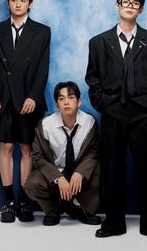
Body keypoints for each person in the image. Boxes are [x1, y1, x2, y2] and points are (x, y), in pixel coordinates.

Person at [85, 0, 147, 240]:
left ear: (141, 9)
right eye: (125, 2)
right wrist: (104, 105)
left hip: (144, 113)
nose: (130, 6)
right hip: (113, 113)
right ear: (117, 6)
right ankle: (113, 223)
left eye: (135, 3)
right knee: (112, 169)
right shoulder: (99, 42)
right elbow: (93, 80)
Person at [0, 0, 50, 223]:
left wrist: (33, 96)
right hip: (3, 98)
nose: (18, 3)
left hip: (27, 99)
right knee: (6, 147)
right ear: (8, 3)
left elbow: (43, 67)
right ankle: (8, 203)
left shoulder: (42, 32)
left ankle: (24, 200)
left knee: (26, 148)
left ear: (30, 3)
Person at [24, 81, 101, 226]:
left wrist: (80, 172)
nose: (66, 102)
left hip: (79, 177)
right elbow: (37, 156)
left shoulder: (89, 122)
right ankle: (53, 211)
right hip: (56, 172)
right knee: (32, 184)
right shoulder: (46, 124)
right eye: (61, 98)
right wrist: (58, 177)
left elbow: (94, 152)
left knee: (103, 171)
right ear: (56, 104)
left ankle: (81, 207)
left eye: (71, 97)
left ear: (79, 102)